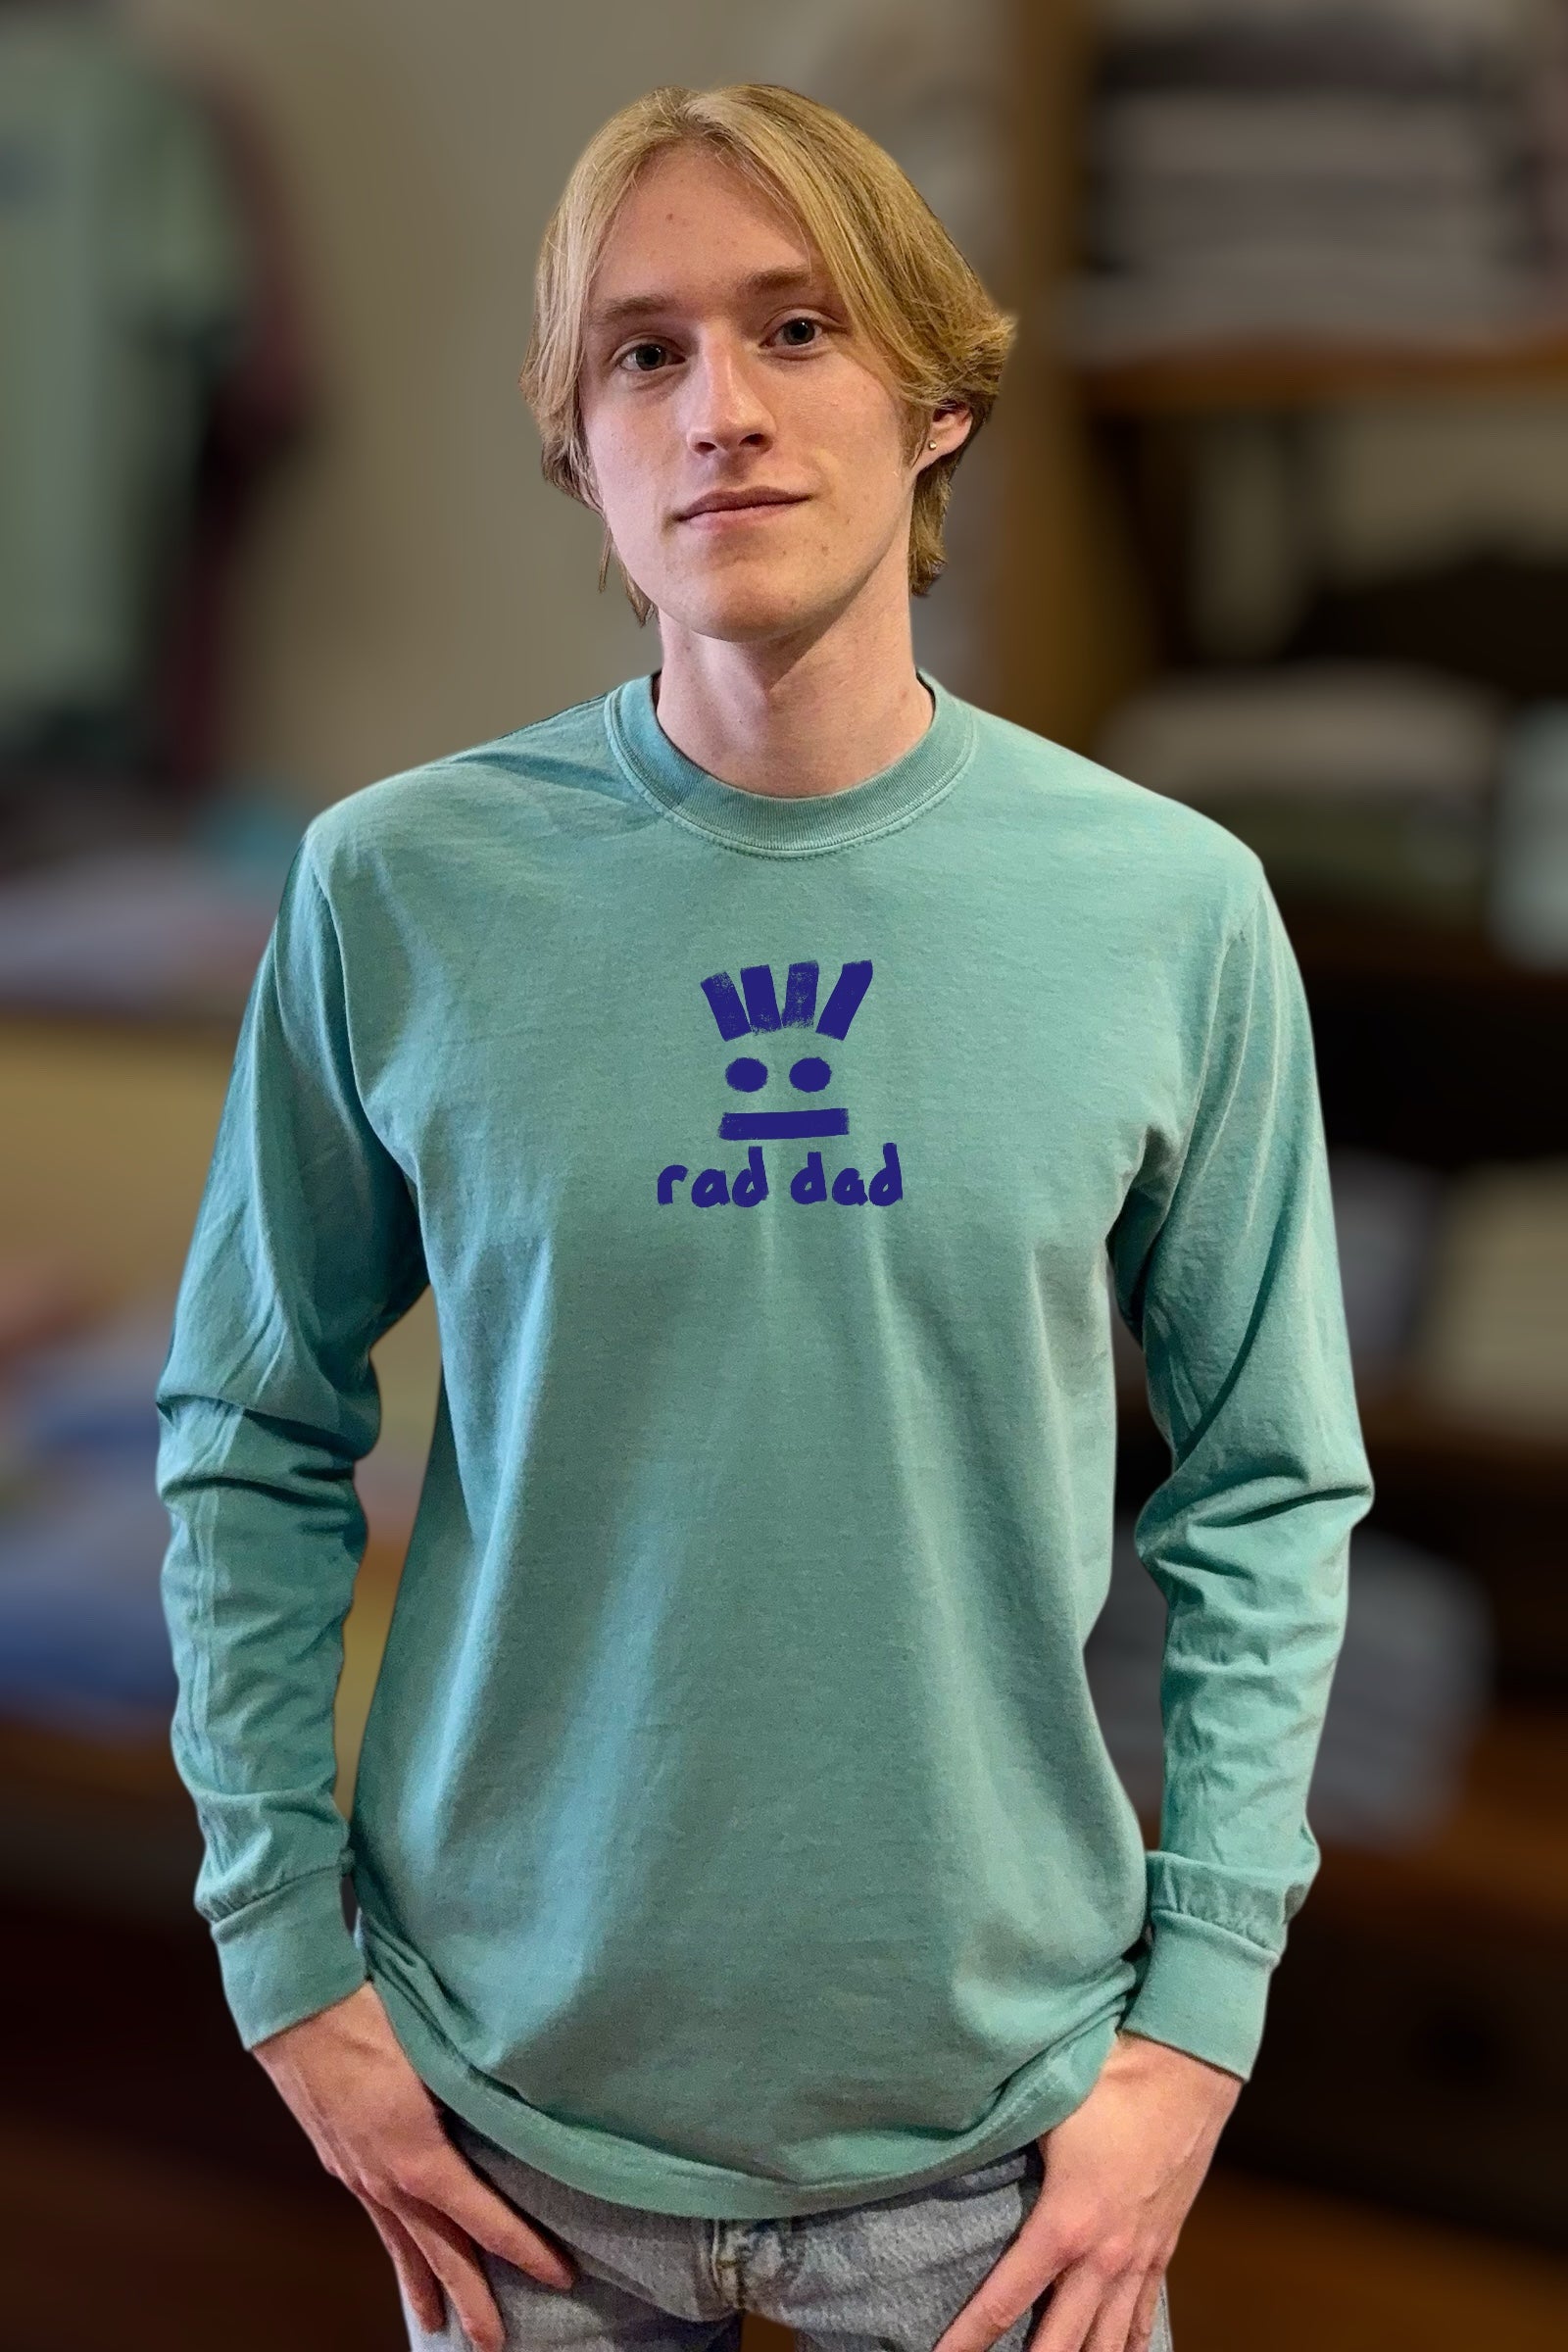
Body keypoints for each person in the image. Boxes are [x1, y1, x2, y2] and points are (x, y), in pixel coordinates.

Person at [155, 80, 1373, 2352]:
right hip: (510, 2130)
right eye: (643, 351)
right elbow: (248, 1428)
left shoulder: (1169, 912)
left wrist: (1197, 2027)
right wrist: (281, 1958)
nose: (717, 406)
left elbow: (1268, 1484)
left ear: (934, 396)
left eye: (793, 328)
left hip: (1005, 2150)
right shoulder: (393, 891)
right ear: (578, 446)